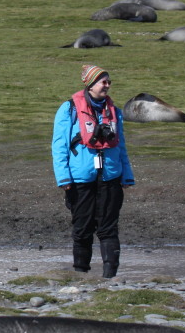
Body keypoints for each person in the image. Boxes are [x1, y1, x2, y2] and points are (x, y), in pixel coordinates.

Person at [51, 64, 134, 278]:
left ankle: (110, 277)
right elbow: (59, 145)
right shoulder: (68, 109)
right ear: (90, 84)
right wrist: (63, 178)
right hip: (80, 180)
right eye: (103, 82)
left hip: (110, 178)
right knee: (82, 229)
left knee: (109, 228)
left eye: (108, 82)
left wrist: (127, 175)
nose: (107, 86)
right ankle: (81, 274)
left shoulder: (114, 112)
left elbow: (121, 145)